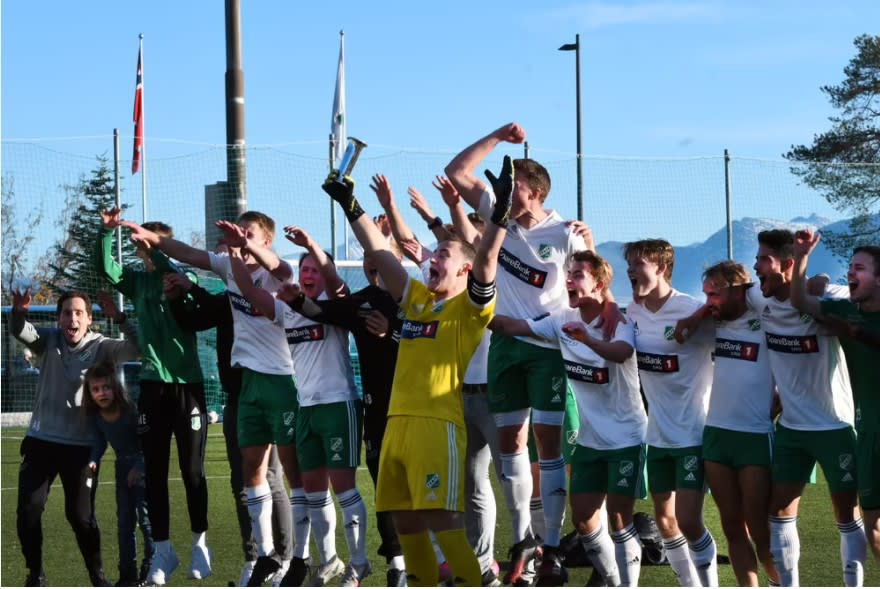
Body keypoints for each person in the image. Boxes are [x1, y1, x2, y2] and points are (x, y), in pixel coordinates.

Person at [321, 159, 511, 586]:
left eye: (444, 254)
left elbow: (486, 262)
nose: (434, 258)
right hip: (396, 424)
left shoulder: (469, 309)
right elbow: (381, 254)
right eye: (435, 253)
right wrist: (352, 206)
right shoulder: (419, 299)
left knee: (445, 524)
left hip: (436, 426)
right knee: (407, 529)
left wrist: (499, 217)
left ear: (463, 269)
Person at [445, 122, 598, 586]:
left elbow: (590, 289)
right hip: (504, 348)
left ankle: (550, 547)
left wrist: (590, 246)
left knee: (547, 448)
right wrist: (497, 136)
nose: (505, 194)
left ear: (534, 191)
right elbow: (456, 172)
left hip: (547, 348)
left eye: (514, 188)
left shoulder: (566, 233)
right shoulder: (500, 217)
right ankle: (525, 542)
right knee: (511, 446)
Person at [119, 211, 307, 587]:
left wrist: (242, 245)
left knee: (288, 476)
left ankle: (296, 559)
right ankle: (264, 557)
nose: (240, 237)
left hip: (283, 381)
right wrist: (151, 239)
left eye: (248, 233)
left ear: (265, 240)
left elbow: (274, 265)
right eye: (238, 232)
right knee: (250, 475)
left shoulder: (281, 271)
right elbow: (187, 253)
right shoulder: (229, 267)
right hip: (247, 387)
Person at [491, 250, 647, 586]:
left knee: (620, 520)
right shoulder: (562, 318)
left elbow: (622, 353)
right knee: (584, 521)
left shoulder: (617, 322)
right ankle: (613, 580)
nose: (569, 280)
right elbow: (511, 325)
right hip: (590, 442)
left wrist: (587, 339)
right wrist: (471, 305)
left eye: (578, 275)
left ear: (599, 284)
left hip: (626, 439)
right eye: (569, 274)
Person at [228, 223, 370, 587]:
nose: (308, 274)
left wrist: (311, 244)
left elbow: (335, 279)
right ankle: (322, 560)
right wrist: (235, 252)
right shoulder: (286, 310)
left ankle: (359, 563)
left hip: (338, 406)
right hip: (305, 409)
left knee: (344, 489)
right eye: (304, 269)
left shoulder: (335, 306)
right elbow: (249, 291)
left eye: (314, 270)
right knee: (312, 492)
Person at [280, 243, 408, 587]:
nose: (373, 263)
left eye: (381, 256)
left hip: (416, 408)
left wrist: (392, 332)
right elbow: (319, 309)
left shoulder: (416, 296)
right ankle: (392, 564)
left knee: (423, 486)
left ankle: (442, 558)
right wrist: (295, 298)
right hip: (373, 408)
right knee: (383, 487)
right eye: (368, 257)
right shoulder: (359, 302)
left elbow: (431, 338)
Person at [95, 210, 212, 585]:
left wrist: (156, 247)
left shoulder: (183, 276)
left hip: (188, 385)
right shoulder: (138, 281)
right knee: (155, 472)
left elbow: (179, 276)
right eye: (142, 244)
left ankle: (200, 543)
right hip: (152, 386)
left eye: (153, 243)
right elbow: (107, 269)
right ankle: (163, 551)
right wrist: (107, 232)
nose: (145, 249)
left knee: (192, 470)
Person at [164, 269, 296, 587]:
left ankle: (285, 561)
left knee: (273, 478)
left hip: (271, 395)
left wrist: (190, 286)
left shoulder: (268, 295)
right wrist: (178, 296)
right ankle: (255, 559)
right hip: (238, 401)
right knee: (242, 484)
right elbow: (194, 320)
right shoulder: (226, 301)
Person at [752, 228, 865, 587]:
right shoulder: (759, 298)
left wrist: (822, 279)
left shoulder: (825, 297)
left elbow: (858, 297)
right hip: (791, 428)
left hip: (835, 427)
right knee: (778, 513)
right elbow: (727, 290)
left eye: (764, 260)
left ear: (787, 265)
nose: (756, 267)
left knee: (846, 514)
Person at [12, 288, 140, 587]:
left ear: (89, 319)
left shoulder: (102, 346)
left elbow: (138, 349)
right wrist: (18, 312)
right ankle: (35, 574)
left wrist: (121, 318)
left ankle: (98, 575)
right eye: (67, 313)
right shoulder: (48, 340)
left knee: (80, 517)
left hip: (82, 447)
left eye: (79, 313)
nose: (73, 318)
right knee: (28, 510)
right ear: (59, 319)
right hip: (41, 440)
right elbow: (20, 330)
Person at [623, 238, 718, 587]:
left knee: (689, 522)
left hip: (693, 435)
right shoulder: (632, 312)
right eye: (629, 264)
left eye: (639, 264)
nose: (631, 270)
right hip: (657, 436)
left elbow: (733, 335)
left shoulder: (690, 309)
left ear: (662, 268)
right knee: (665, 523)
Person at [790, 231, 878, 570]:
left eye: (860, 268)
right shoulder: (846, 311)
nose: (851, 273)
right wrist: (801, 258)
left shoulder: (854, 324)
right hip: (868, 433)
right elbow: (801, 302)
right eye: (850, 267)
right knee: (874, 529)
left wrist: (857, 334)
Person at [697, 261, 779, 587]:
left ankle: (780, 582)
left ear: (738, 290)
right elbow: (677, 332)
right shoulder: (711, 323)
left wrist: (771, 409)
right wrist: (703, 311)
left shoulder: (766, 320)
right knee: (732, 525)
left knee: (760, 528)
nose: (709, 300)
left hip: (754, 436)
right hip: (716, 435)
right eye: (706, 294)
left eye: (715, 293)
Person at [83, 361, 155, 587]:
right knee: (124, 522)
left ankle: (152, 568)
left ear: (115, 387)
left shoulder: (130, 410)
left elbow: (149, 443)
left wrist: (140, 467)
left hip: (142, 468)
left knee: (146, 520)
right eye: (95, 389)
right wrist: (93, 460)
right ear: (89, 393)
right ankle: (127, 574)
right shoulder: (96, 417)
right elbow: (98, 442)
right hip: (121, 468)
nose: (101, 393)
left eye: (106, 387)